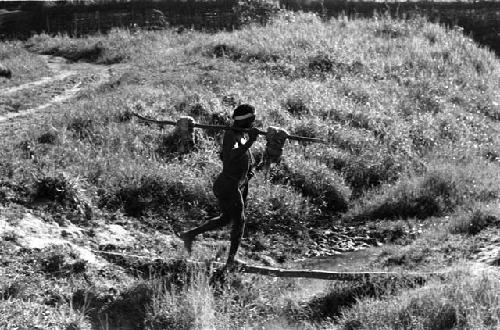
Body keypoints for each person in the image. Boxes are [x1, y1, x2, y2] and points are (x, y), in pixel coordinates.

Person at [180, 104, 260, 266]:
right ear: (246, 121)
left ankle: (189, 235)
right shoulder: (231, 135)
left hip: (235, 185)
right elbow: (231, 157)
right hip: (228, 185)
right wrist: (251, 141)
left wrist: (249, 171)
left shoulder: (240, 135)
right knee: (240, 221)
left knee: (226, 219)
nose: (253, 123)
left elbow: (231, 156)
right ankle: (231, 260)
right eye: (252, 120)